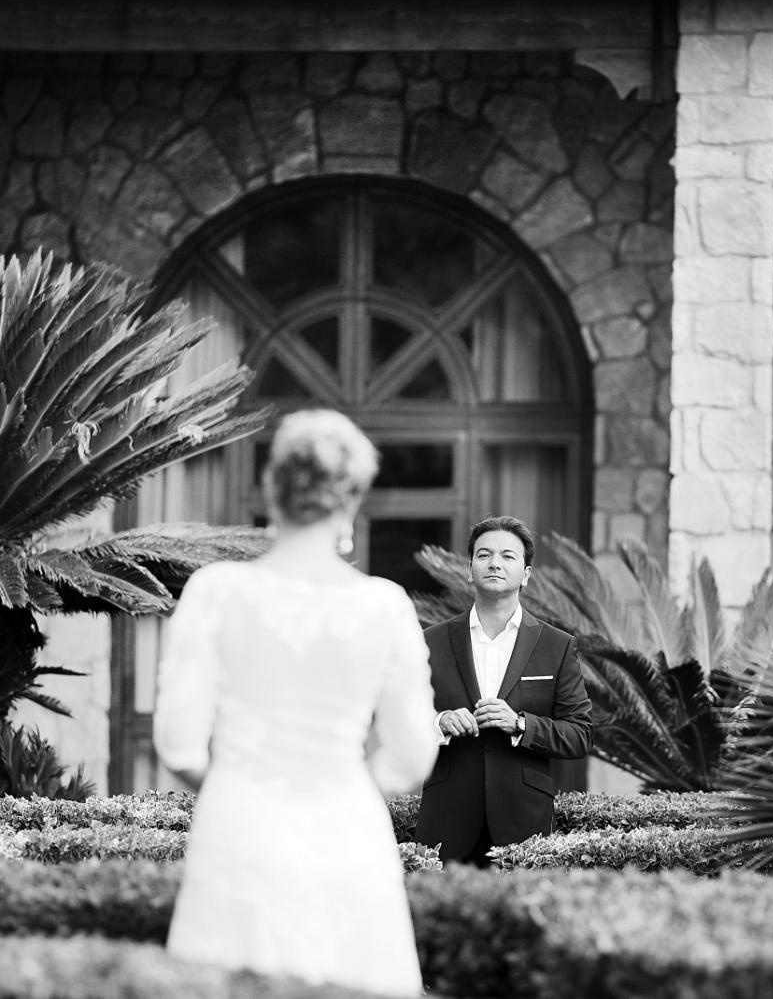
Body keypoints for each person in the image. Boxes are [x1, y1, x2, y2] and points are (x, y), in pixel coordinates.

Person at [153, 409, 438, 996]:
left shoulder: (216, 593)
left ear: (270, 490)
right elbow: (413, 758)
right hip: (346, 829)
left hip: (240, 826)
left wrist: (242, 781)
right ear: (351, 502)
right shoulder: (383, 607)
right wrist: (342, 786)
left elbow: (178, 745)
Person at [415, 515, 594, 866]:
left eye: (508, 556)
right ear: (470, 569)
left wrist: (521, 725)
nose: (495, 563)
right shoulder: (430, 641)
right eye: (484, 555)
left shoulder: (556, 646)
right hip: (446, 821)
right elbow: (401, 721)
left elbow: (581, 733)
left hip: (524, 824)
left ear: (525, 574)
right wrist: (439, 723)